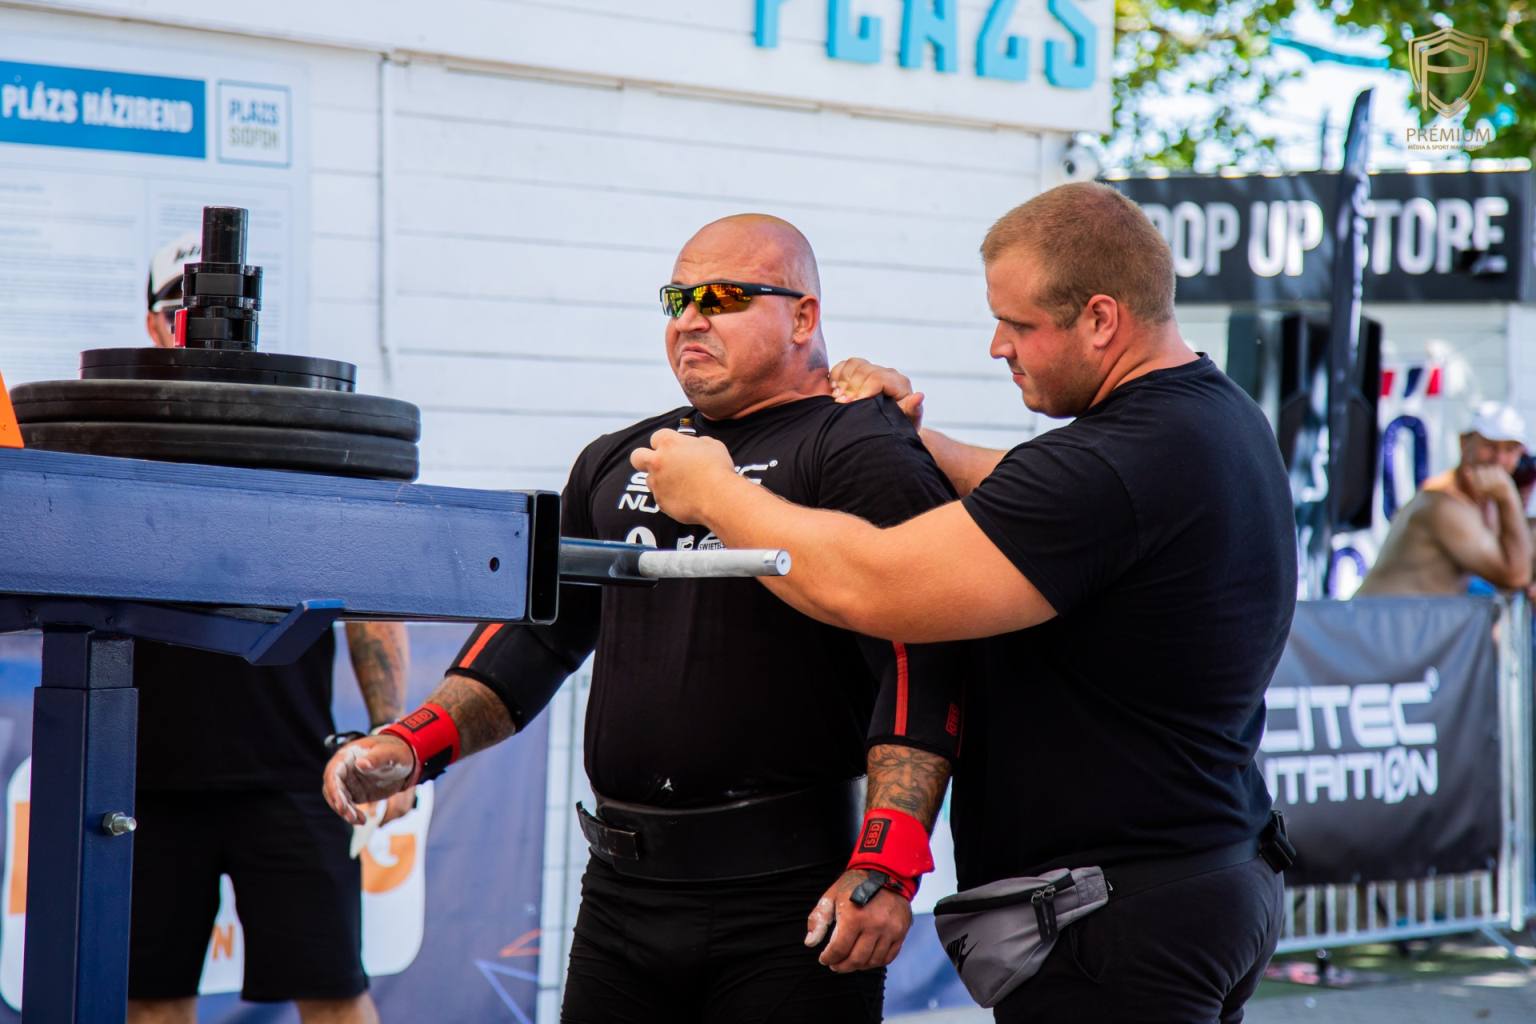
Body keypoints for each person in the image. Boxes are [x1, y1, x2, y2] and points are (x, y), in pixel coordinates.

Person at [631, 183, 1298, 1022]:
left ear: (1100, 319)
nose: (997, 346)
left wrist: (718, 494)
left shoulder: (1118, 460)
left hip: (1121, 921)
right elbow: (1035, 491)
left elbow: (876, 585)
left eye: (1018, 325)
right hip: (1206, 874)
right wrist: (912, 440)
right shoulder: (1208, 415)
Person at [322, 214, 964, 1023]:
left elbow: (921, 661)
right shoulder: (622, 456)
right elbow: (540, 634)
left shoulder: (858, 447)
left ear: (803, 317)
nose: (690, 319)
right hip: (623, 894)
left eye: (722, 297)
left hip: (790, 898)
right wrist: (412, 744)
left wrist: (887, 865)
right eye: (677, 298)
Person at [129, 236, 414, 1024]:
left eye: (218, 307)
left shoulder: (295, 442)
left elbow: (368, 596)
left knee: (336, 1000)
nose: (198, 322)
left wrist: (395, 739)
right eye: (178, 305)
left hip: (294, 773)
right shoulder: (116, 439)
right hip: (147, 778)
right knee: (149, 1003)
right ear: (153, 324)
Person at [1355, 402, 1532, 596]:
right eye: (1490, 446)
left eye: (1510, 450)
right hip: (1382, 614)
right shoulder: (1442, 504)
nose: (1499, 459)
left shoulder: (1481, 504)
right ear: (1464, 443)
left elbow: (1520, 556)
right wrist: (1508, 497)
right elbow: (1515, 575)